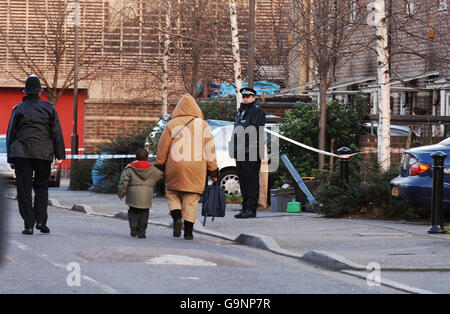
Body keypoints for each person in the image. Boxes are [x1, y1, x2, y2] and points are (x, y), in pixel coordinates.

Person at [6, 75, 65, 235]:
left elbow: (11, 132)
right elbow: (56, 131)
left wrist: (10, 157)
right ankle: (41, 221)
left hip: (21, 153)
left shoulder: (18, 109)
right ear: (40, 91)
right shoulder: (50, 108)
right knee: (41, 187)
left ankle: (29, 224)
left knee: (23, 189)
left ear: (26, 91)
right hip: (43, 153)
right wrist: (60, 154)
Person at [156, 94, 218, 240]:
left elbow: (162, 147)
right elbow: (210, 149)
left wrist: (160, 163)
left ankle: (177, 219)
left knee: (172, 193)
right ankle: (189, 232)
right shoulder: (203, 125)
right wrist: (213, 170)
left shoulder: (172, 124)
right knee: (191, 198)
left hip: (175, 165)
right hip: (196, 166)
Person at [230, 87, 266, 219]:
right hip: (240, 152)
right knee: (243, 182)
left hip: (251, 151)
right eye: (244, 96)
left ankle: (251, 209)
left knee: (251, 182)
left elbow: (254, 132)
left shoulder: (257, 112)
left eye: (248, 97)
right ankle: (245, 207)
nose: (245, 99)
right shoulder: (240, 112)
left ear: (253, 98)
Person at [118, 148, 164, 239]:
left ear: (136, 157)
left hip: (132, 194)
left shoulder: (130, 168)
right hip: (147, 195)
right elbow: (161, 175)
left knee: (132, 211)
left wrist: (121, 193)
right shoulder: (152, 169)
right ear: (147, 158)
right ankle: (142, 233)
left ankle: (133, 226)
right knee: (144, 214)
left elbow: (123, 181)